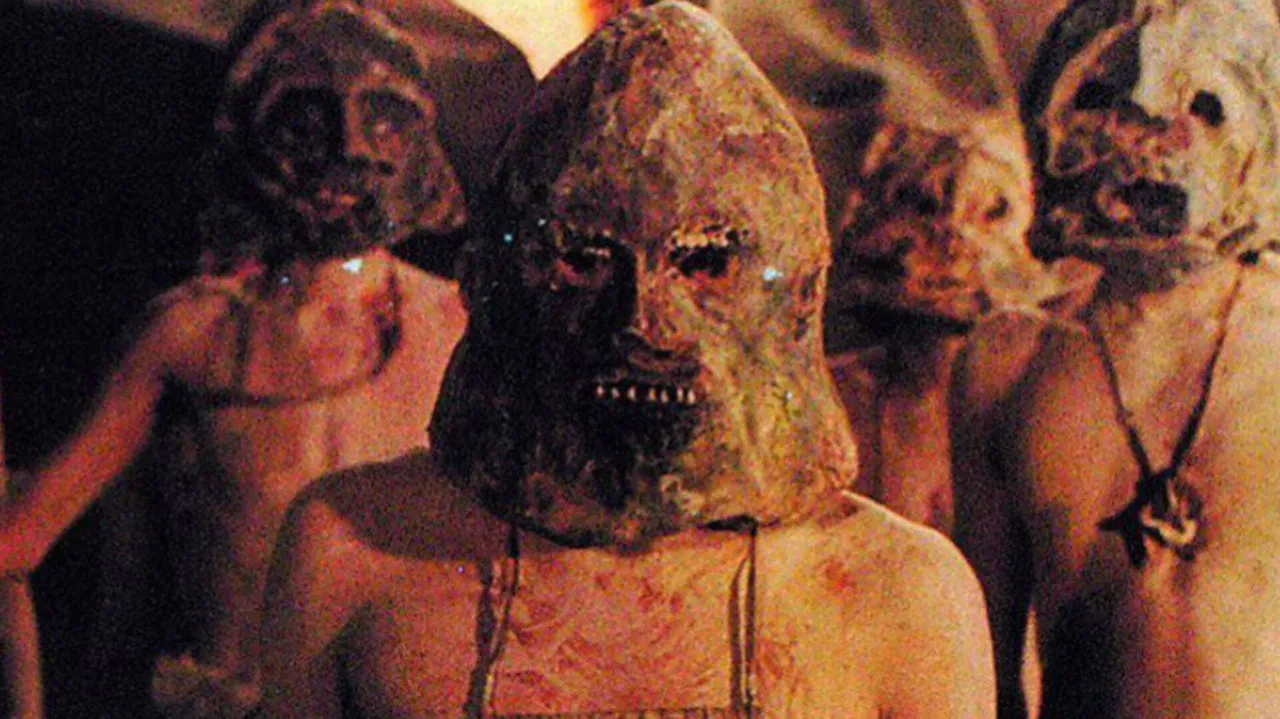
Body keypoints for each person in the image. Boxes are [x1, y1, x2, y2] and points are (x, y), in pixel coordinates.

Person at [256, 4, 995, 717]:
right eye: (584, 259)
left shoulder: (899, 595)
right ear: (490, 280)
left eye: (703, 263)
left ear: (797, 289)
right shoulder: (350, 554)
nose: (642, 320)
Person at [0, 1, 533, 715]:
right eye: (307, 118)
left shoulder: (457, 323)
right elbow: (18, 543)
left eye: (380, 117)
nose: (349, 147)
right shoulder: (194, 333)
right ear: (247, 134)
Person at [951, 0, 1280, 716]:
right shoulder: (1008, 364)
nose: (1149, 143)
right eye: (1108, 105)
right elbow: (983, 683)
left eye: (1200, 108)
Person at [708, 0, 1098, 532]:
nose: (948, 235)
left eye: (985, 212)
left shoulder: (1043, 405)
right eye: (926, 204)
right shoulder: (820, 404)